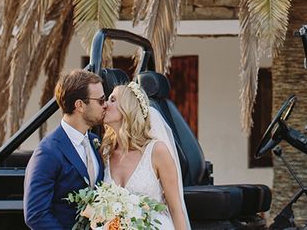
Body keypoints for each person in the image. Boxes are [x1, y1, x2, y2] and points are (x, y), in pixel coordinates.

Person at [24, 69, 107, 229]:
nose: (105, 106)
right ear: (80, 105)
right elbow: (35, 214)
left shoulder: (94, 141)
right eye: (101, 100)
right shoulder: (48, 152)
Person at [102, 82, 189, 230]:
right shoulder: (105, 153)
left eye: (112, 100)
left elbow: (176, 209)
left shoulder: (157, 151)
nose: (104, 104)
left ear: (128, 109)